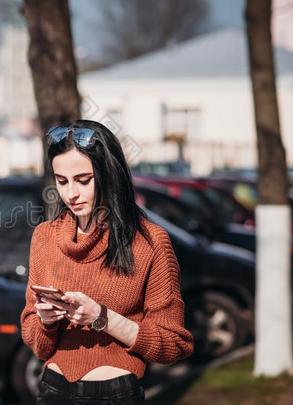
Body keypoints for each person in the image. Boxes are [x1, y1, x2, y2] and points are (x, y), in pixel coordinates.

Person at [20, 120, 193, 404]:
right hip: (53, 390)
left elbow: (174, 345)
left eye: (83, 180)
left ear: (109, 175)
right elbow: (38, 345)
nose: (71, 194)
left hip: (117, 393)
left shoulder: (150, 242)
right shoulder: (44, 237)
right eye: (62, 181)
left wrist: (102, 317)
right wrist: (46, 321)